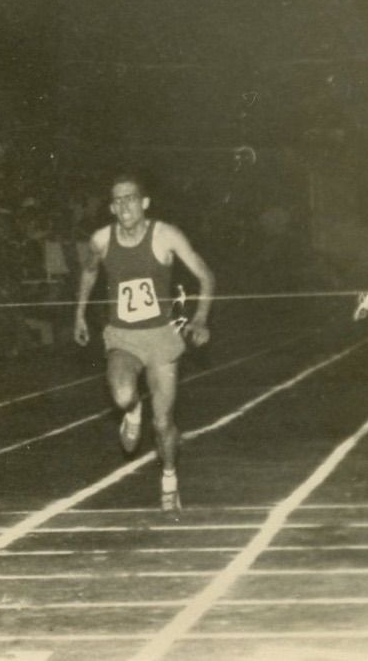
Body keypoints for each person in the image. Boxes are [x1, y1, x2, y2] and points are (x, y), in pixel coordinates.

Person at [73, 174, 214, 514]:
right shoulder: (102, 239)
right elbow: (90, 272)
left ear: (145, 202)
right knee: (122, 395)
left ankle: (169, 478)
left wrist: (199, 318)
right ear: (111, 207)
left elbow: (205, 275)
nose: (124, 206)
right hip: (123, 335)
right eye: (117, 201)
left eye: (131, 198)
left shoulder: (165, 235)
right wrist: (78, 314)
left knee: (163, 423)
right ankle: (133, 409)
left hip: (162, 337)